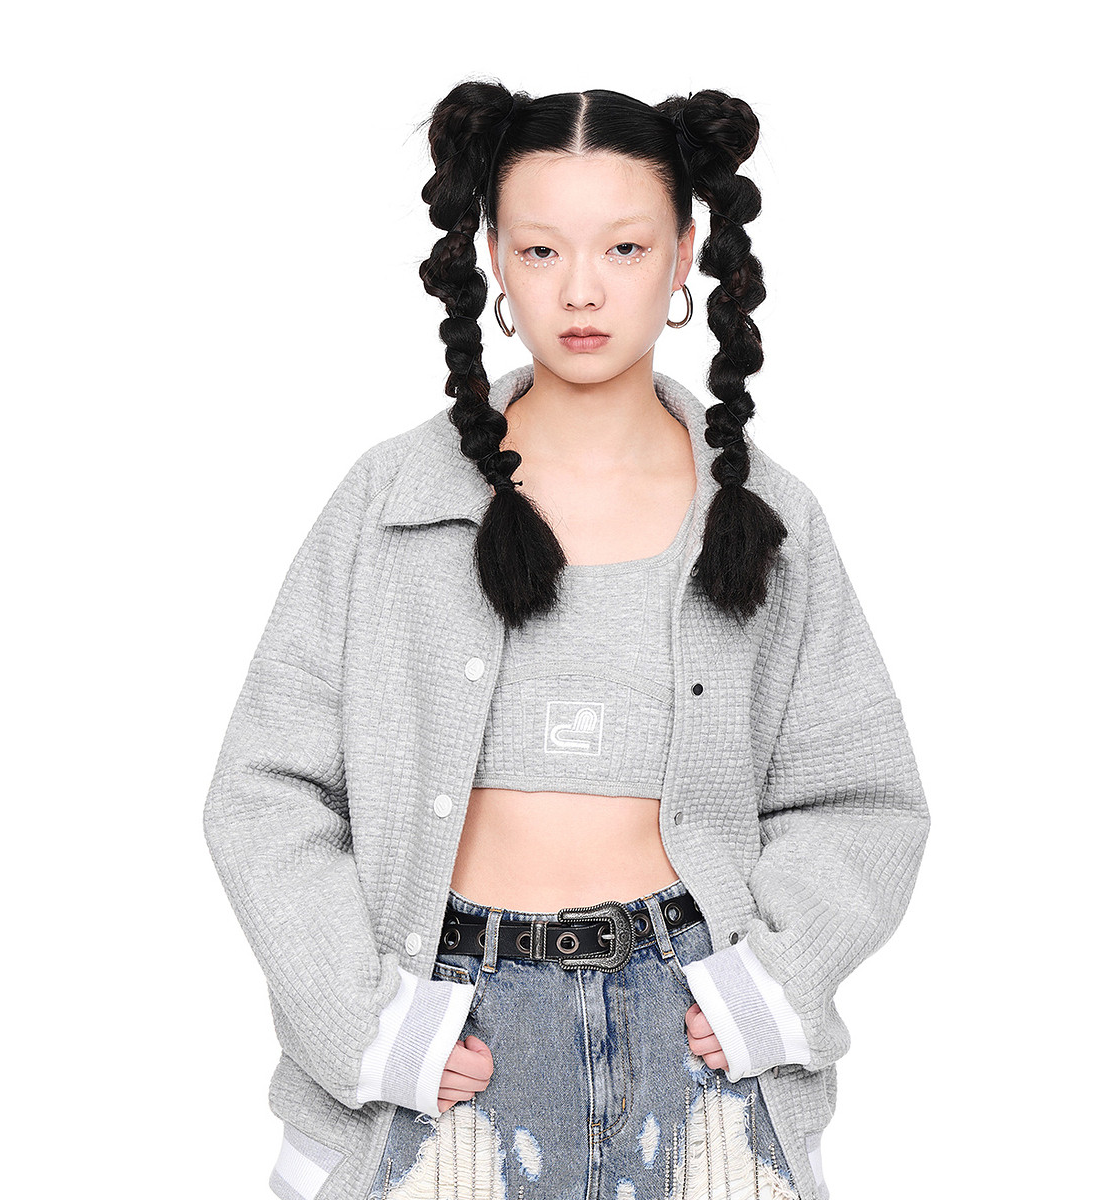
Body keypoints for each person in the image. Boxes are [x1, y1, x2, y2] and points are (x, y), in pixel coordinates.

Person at [203, 81, 930, 1200]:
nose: (581, 290)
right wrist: (364, 1019)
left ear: (684, 254)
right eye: (541, 250)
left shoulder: (767, 519)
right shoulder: (392, 503)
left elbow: (861, 796)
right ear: (493, 256)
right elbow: (264, 789)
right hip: (445, 1047)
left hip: (699, 1050)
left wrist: (772, 988)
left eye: (624, 247)